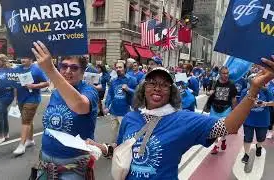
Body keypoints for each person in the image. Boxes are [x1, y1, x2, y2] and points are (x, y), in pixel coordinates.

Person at [86, 55, 274, 179]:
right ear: (143, 89)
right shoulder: (131, 118)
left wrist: (254, 89)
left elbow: (229, 127)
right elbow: (123, 148)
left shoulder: (185, 120)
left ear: (172, 92)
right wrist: (103, 148)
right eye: (152, 83)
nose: (157, 88)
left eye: (164, 84)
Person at [31, 42, 99, 179]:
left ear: (82, 72)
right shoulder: (56, 92)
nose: (68, 71)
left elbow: (80, 106)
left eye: (74, 68)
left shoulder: (89, 90)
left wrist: (50, 70)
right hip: (45, 163)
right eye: (64, 66)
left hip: (73, 168)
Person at [13, 57, 49, 156]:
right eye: (21, 57)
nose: (22, 59)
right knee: (27, 120)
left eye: (25, 57)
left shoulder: (36, 69)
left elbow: (46, 83)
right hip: (21, 98)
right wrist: (15, 98)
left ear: (30, 59)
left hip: (32, 99)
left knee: (25, 121)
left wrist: (34, 86)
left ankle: (21, 145)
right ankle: (30, 139)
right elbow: (15, 83)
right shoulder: (17, 69)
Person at [240, 74, 274, 163]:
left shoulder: (266, 91)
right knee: (247, 138)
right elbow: (240, 104)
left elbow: (273, 102)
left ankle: (258, 147)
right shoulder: (245, 91)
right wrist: (250, 104)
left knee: (261, 138)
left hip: (263, 120)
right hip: (248, 120)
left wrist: (265, 103)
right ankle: (246, 155)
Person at [207, 66, 238, 154]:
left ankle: (223, 140)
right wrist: (209, 93)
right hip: (214, 108)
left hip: (226, 109)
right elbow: (207, 92)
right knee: (214, 128)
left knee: (224, 128)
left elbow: (234, 99)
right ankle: (216, 146)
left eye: (227, 73)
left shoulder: (231, 84)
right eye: (224, 73)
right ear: (220, 74)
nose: (226, 75)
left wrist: (234, 111)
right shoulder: (214, 83)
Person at [105, 61, 137, 142]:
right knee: (113, 134)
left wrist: (128, 89)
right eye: (117, 68)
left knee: (124, 133)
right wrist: (106, 106)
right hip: (113, 111)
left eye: (120, 67)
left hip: (125, 112)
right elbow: (110, 94)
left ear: (125, 68)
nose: (118, 69)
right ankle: (113, 149)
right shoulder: (113, 81)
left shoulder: (132, 80)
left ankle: (123, 150)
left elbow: (138, 93)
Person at [0, 54, 15, 145]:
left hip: (7, 95)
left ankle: (0, 136)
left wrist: (16, 98)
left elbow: (15, 84)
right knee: (3, 114)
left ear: (3, 61)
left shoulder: (10, 70)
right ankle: (5, 133)